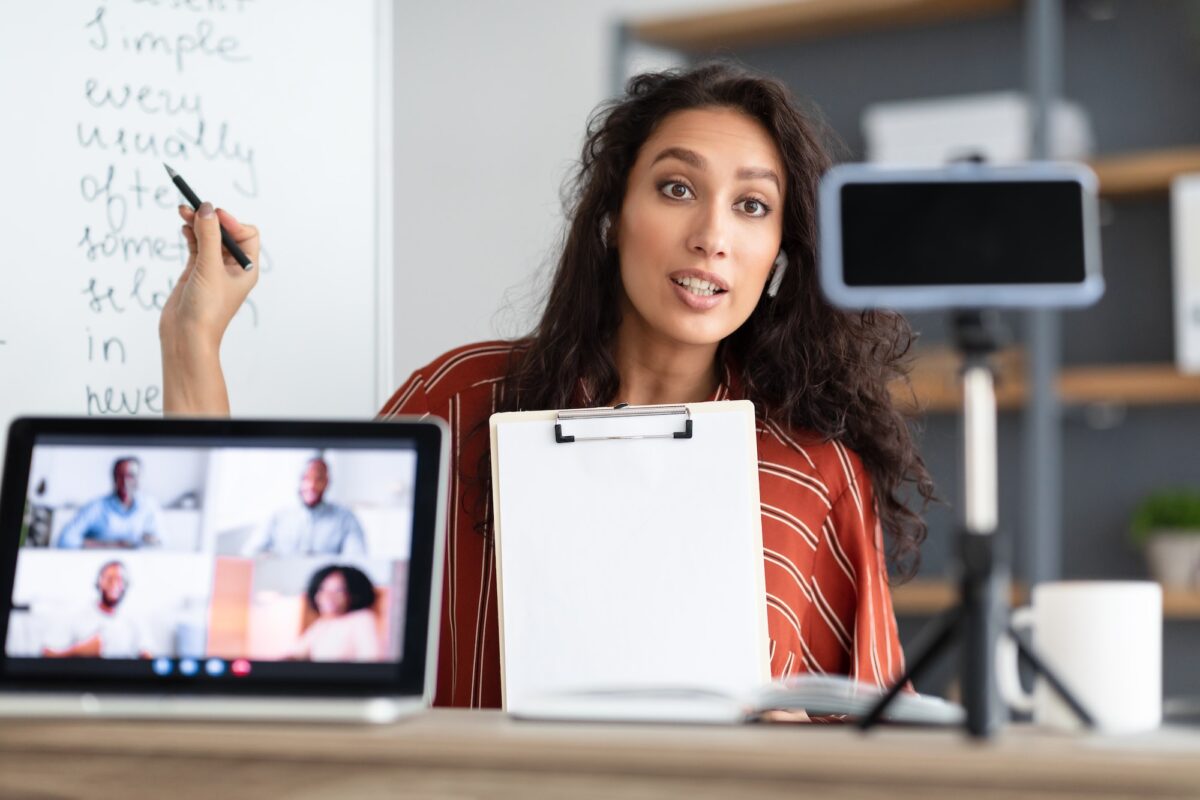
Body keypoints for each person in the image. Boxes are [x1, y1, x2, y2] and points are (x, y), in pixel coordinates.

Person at [159, 63, 935, 709]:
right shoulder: (460, 400)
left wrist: (790, 750)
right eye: (676, 189)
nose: (712, 235)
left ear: (781, 253)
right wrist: (192, 338)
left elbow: (872, 758)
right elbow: (254, 622)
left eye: (753, 206)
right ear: (612, 217)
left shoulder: (814, 471)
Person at [241, 457, 367, 556]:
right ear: (299, 481)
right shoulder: (278, 516)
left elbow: (356, 560)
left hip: (324, 586)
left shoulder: (346, 519)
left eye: (318, 479)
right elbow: (250, 552)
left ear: (327, 482)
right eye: (306, 478)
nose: (311, 485)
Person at [42, 561, 152, 658]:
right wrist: (78, 651)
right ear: (99, 582)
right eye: (109, 578)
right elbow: (47, 653)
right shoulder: (77, 614)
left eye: (120, 580)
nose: (115, 584)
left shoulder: (132, 621)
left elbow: (147, 656)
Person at [56, 457, 162, 549]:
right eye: (120, 476)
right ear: (114, 478)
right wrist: (112, 545)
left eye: (130, 476)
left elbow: (162, 542)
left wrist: (149, 540)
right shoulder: (96, 507)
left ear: (138, 479)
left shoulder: (149, 506)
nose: (125, 482)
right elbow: (65, 540)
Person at [290, 565, 382, 662]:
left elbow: (372, 663)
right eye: (322, 589)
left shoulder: (362, 618)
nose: (328, 596)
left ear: (354, 593)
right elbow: (296, 653)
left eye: (338, 590)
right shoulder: (323, 622)